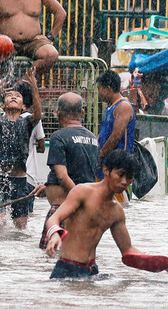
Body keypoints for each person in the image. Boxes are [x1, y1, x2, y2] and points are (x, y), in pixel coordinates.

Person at [45, 149, 168, 280]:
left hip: (91, 271)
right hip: (67, 269)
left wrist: (164, 264)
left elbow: (128, 251)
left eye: (129, 178)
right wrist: (55, 234)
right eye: (120, 175)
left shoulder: (117, 211)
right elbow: (54, 218)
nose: (124, 182)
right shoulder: (82, 192)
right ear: (106, 170)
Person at [32, 92, 99, 249]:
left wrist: (79, 197)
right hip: (83, 214)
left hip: (62, 209)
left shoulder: (58, 137)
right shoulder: (92, 138)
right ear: (82, 113)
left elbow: (62, 176)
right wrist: (48, 185)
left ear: (58, 113)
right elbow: (82, 171)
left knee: (48, 257)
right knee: (77, 255)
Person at [0, 67, 41, 229]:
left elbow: (38, 115)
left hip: (20, 180)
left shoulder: (27, 122)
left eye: (18, 96)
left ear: (24, 106)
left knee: (21, 228)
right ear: (3, 105)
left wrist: (34, 89)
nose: (14, 96)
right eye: (10, 96)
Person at [95, 70, 136, 184]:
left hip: (119, 166)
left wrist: (100, 154)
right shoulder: (109, 106)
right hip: (106, 164)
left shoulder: (123, 106)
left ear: (108, 89)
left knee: (117, 201)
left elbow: (116, 136)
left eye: (100, 89)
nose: (99, 93)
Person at [17, 82, 46, 214]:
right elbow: (42, 146)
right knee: (25, 220)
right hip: (29, 177)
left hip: (11, 176)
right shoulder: (33, 120)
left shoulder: (6, 119)